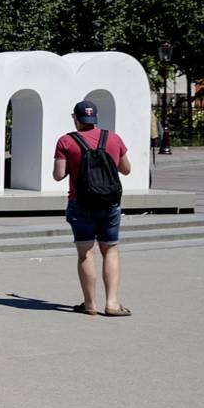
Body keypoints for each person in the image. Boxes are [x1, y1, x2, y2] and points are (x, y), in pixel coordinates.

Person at [54, 99, 131, 317]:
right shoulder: (114, 138)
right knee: (110, 250)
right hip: (109, 204)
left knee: (86, 252)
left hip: (80, 203)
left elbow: (59, 175)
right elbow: (126, 169)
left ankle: (90, 304)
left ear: (75, 118)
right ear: (95, 118)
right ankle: (112, 303)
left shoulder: (66, 141)